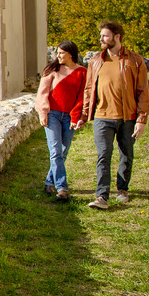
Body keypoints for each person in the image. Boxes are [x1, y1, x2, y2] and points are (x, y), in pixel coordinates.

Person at [77, 21, 149, 209]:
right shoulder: (95, 61)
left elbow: (142, 91)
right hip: (102, 116)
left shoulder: (135, 60)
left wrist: (141, 120)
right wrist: (84, 115)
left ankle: (122, 189)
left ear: (117, 37)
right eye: (101, 36)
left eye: (105, 36)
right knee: (103, 155)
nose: (101, 39)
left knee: (126, 154)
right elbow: (88, 90)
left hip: (127, 117)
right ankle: (102, 196)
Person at [35, 41, 87, 201]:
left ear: (71, 54)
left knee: (63, 152)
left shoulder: (82, 73)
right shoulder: (51, 70)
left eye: (61, 53)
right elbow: (42, 93)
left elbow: (83, 96)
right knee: (56, 150)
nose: (58, 56)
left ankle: (49, 181)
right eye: (57, 53)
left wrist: (76, 116)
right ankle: (62, 188)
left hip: (69, 116)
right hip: (53, 115)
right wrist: (43, 112)